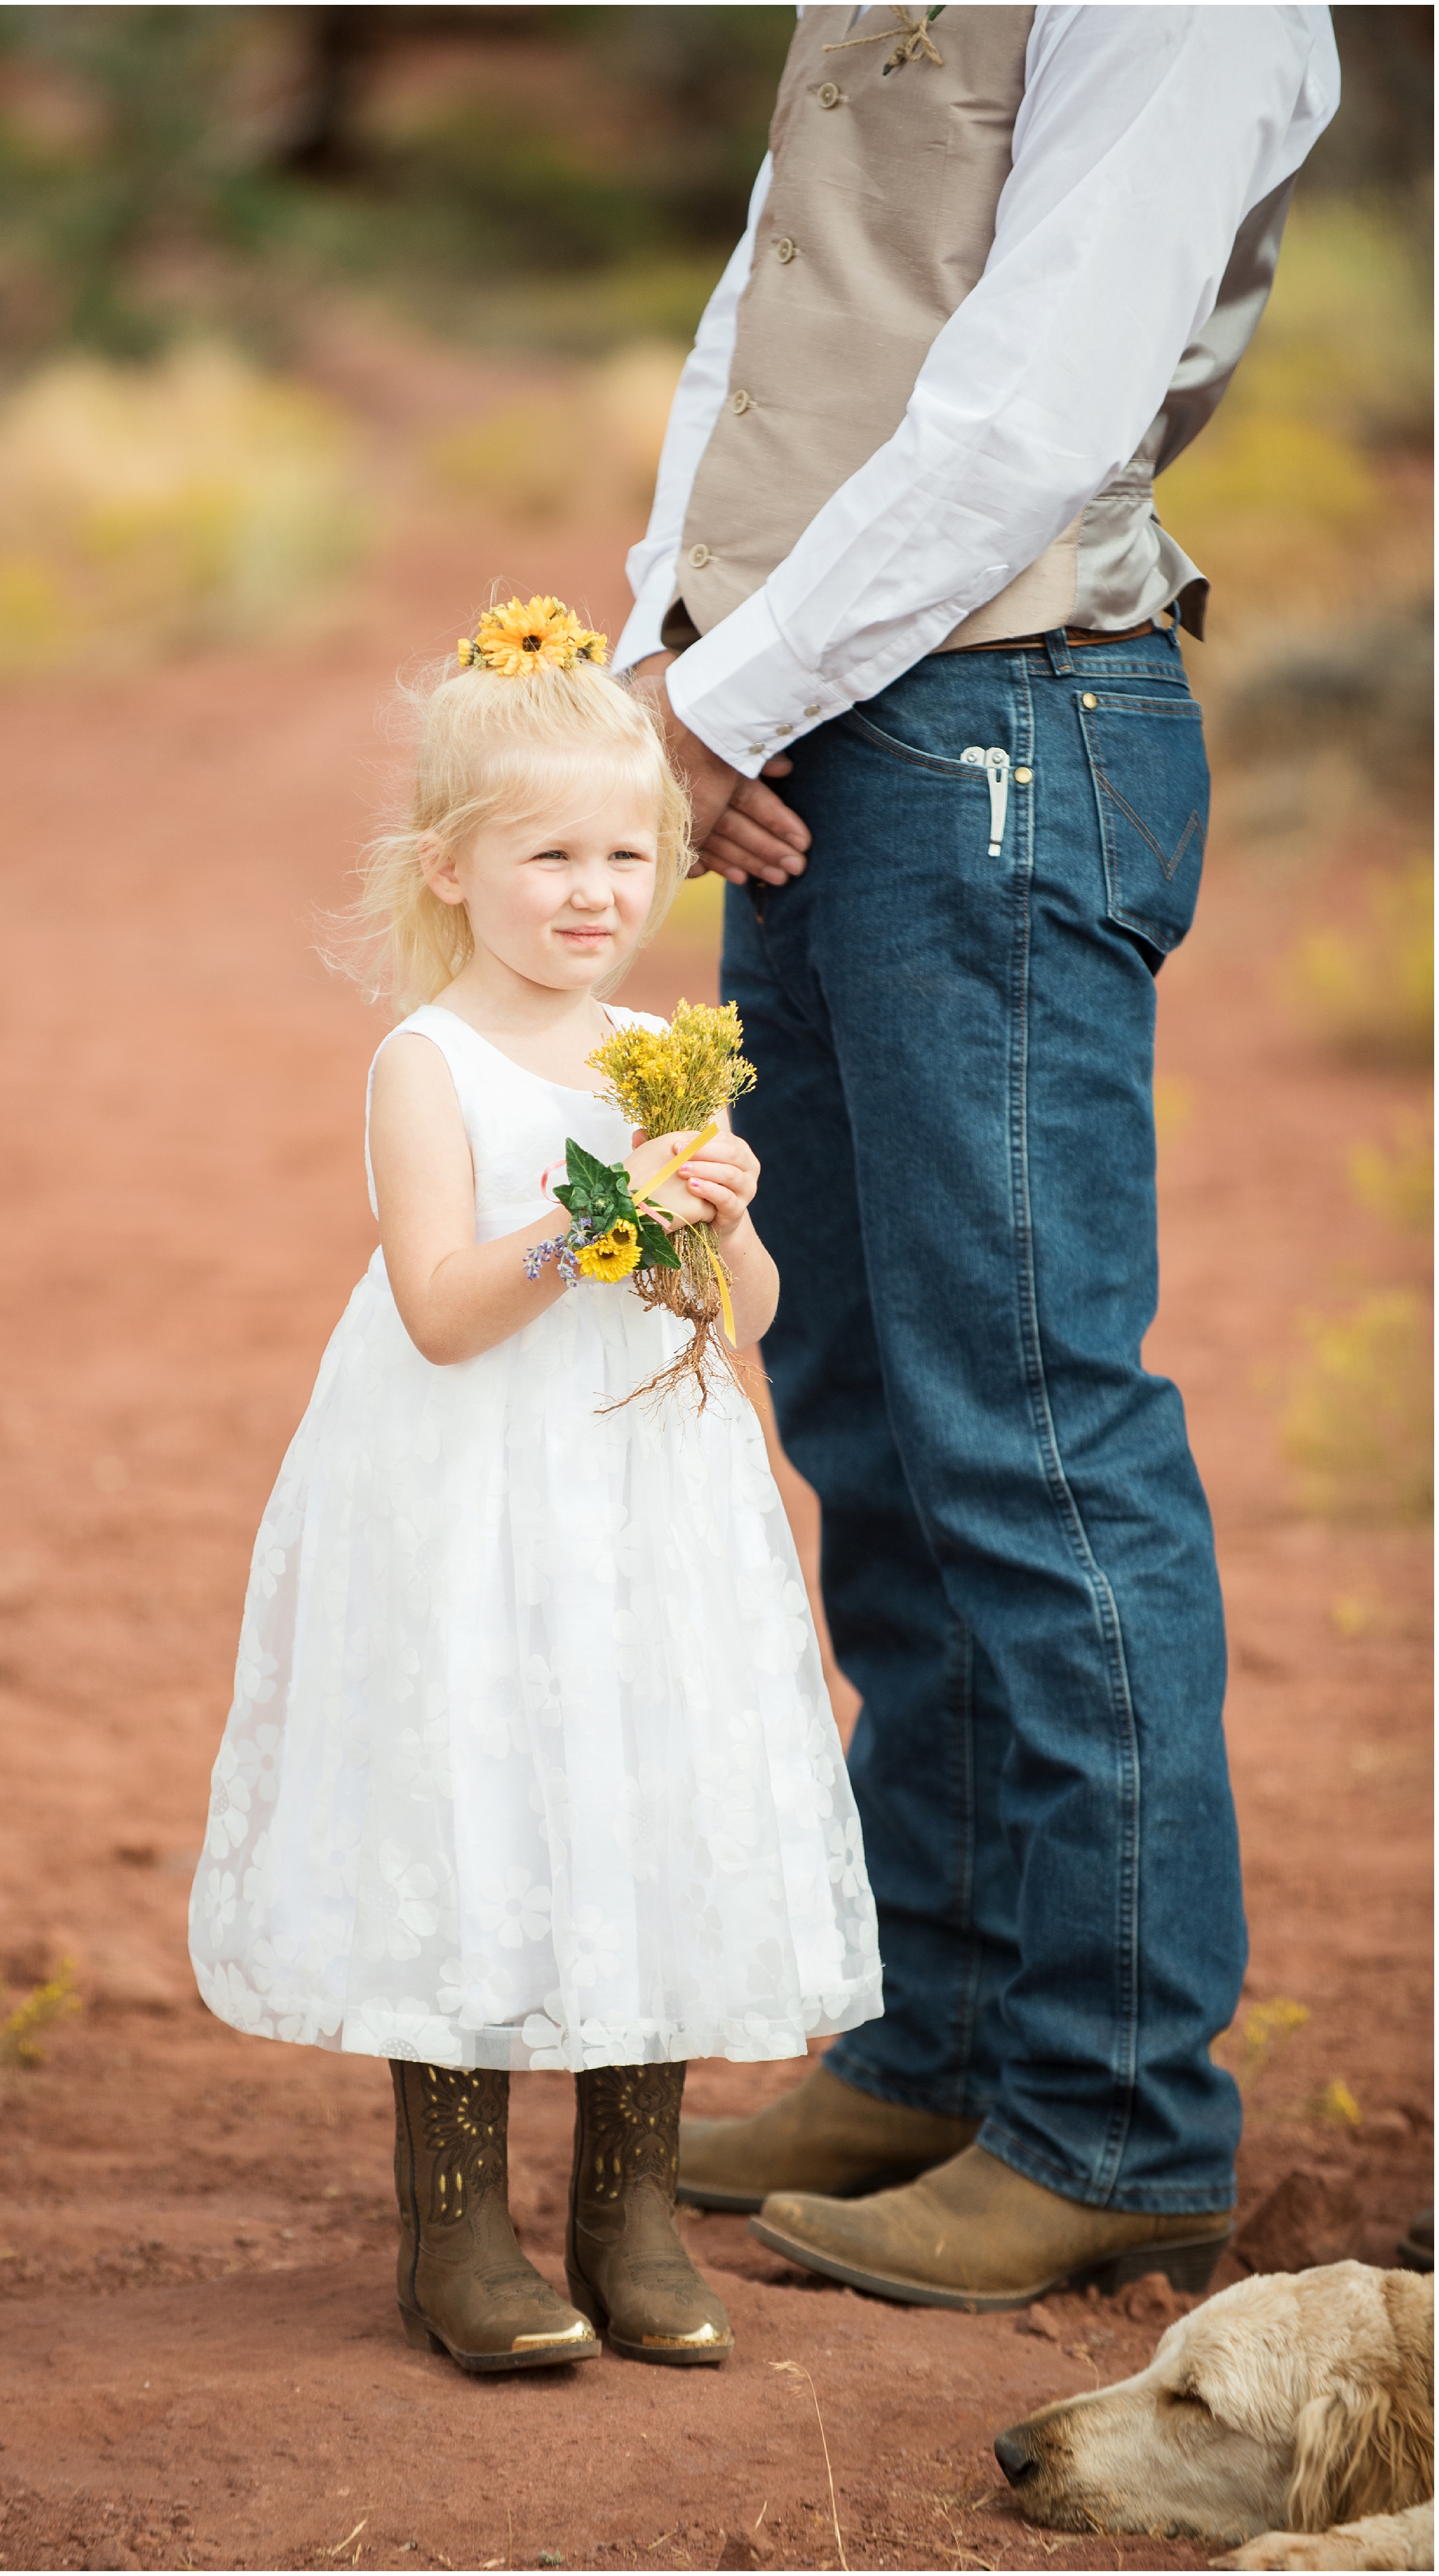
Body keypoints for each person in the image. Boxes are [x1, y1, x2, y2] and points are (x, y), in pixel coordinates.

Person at [613, 6, 1341, 2311]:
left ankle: (1115, 2111)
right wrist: (672, 640)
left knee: (1027, 1429)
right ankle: (937, 2039)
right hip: (824, 710)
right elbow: (780, 291)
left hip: (1002, 722)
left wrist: (722, 700)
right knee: (871, 1424)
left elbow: (1028, 404)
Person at [187, 597, 881, 2373]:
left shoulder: (662, 1050)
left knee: (644, 1778)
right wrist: (600, 1217)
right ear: (450, 869)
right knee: (480, 1784)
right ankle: (458, 2236)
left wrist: (715, 1218)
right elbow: (437, 1312)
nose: (597, 891)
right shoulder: (430, 1064)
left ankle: (631, 2214)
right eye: (552, 854)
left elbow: (752, 1313)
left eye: (632, 854)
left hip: (648, 1497)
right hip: (476, 1494)